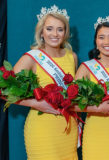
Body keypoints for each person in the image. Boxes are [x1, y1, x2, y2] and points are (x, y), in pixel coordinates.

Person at [13, 5, 78, 160]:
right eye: (49, 29)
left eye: (60, 29)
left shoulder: (72, 57)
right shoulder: (32, 57)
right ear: (41, 32)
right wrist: (36, 103)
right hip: (42, 129)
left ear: (65, 32)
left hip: (68, 129)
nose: (55, 34)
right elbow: (4, 91)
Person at [72, 16, 109, 160]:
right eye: (101, 37)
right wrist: (97, 108)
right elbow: (71, 104)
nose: (107, 42)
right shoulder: (86, 67)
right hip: (95, 133)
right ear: (96, 42)